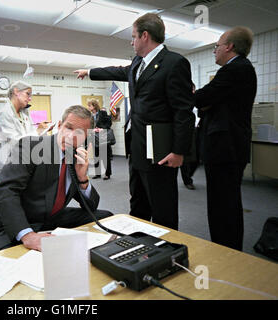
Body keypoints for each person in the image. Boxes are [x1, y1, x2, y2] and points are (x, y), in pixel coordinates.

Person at [74, 13, 195, 230]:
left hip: (160, 150)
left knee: (162, 207)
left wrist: (179, 151)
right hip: (138, 147)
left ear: (145, 36)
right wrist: (90, 72)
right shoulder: (139, 62)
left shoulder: (174, 63)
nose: (131, 42)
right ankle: (138, 246)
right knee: (138, 203)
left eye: (133, 37)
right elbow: (119, 71)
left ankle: (166, 254)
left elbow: (184, 112)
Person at [0, 105, 113, 252]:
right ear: (59, 125)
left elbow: (91, 207)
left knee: (105, 217)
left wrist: (82, 178)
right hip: (21, 221)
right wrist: (27, 235)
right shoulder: (30, 146)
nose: (72, 136)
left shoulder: (75, 157)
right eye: (69, 128)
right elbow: (5, 193)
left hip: (51, 218)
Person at [195, 26, 257, 251]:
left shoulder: (235, 69)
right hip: (228, 148)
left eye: (217, 46)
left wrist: (197, 97)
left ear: (230, 46)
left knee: (224, 204)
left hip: (225, 149)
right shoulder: (239, 70)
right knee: (224, 201)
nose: (215, 51)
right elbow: (208, 104)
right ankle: (226, 246)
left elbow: (203, 98)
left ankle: (227, 249)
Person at [0, 80, 51, 164]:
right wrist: (37, 131)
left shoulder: (24, 113)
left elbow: (31, 134)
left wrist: (42, 131)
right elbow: (16, 142)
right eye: (27, 94)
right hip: (13, 160)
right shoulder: (4, 113)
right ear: (16, 91)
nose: (30, 99)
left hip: (27, 157)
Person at [87, 99, 112, 180]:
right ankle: (97, 173)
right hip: (94, 136)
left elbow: (109, 123)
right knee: (96, 156)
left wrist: (102, 128)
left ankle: (107, 174)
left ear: (94, 105)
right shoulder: (89, 115)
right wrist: (91, 129)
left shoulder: (102, 112)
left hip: (102, 135)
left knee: (105, 155)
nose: (88, 107)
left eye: (90, 105)